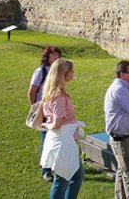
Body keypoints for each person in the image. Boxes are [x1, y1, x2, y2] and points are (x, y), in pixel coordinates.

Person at [40, 59, 84, 199]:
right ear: (63, 74)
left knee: (76, 174)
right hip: (62, 142)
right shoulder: (58, 96)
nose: (73, 73)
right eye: (71, 71)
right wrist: (46, 126)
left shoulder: (54, 93)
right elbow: (57, 123)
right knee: (63, 179)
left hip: (64, 140)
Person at [104, 60, 129, 199]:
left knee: (123, 171)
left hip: (127, 138)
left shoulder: (125, 87)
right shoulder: (120, 89)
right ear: (122, 74)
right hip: (123, 140)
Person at [29, 45, 62, 182]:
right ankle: (46, 171)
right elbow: (32, 91)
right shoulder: (41, 71)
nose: (55, 57)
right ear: (47, 57)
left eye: (57, 55)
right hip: (44, 110)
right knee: (46, 139)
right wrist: (35, 108)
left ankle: (56, 165)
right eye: (52, 55)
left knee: (56, 138)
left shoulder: (59, 71)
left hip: (57, 110)